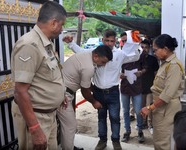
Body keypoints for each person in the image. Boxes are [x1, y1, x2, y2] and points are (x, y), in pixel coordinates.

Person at [63, 29, 140, 150]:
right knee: (101, 118)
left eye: (112, 41)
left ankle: (116, 142)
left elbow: (135, 56)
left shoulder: (120, 54)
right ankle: (102, 140)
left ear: (115, 41)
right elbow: (81, 52)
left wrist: (135, 43)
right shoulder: (95, 53)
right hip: (98, 91)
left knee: (115, 118)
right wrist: (71, 44)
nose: (109, 43)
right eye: (107, 40)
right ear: (102, 40)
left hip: (113, 92)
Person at [11, 2, 66, 150]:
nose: (62, 30)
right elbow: (20, 91)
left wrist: (61, 95)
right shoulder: (29, 45)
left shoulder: (45, 43)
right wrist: (34, 128)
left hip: (49, 115)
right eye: (61, 25)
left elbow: (47, 75)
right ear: (54, 23)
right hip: (36, 118)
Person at [57, 45, 113, 150]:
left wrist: (95, 90)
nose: (103, 65)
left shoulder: (88, 54)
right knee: (70, 125)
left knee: (65, 125)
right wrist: (94, 102)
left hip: (61, 89)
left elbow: (87, 85)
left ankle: (67, 146)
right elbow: (85, 90)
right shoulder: (88, 68)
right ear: (96, 56)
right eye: (103, 62)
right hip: (63, 95)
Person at [140, 34, 185, 150]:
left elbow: (167, 95)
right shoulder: (166, 64)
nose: (154, 53)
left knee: (161, 142)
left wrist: (149, 108)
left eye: (155, 50)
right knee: (160, 139)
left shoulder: (174, 66)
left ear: (165, 49)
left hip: (166, 107)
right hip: (161, 107)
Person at [120, 31, 146, 143]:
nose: (125, 43)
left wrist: (141, 72)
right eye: (123, 41)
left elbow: (145, 67)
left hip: (137, 87)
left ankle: (140, 130)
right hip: (125, 87)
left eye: (127, 40)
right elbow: (116, 68)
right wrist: (119, 74)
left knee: (138, 110)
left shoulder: (139, 53)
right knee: (125, 111)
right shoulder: (120, 54)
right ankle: (127, 131)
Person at [140, 39, 159, 133]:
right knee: (141, 106)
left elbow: (156, 73)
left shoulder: (153, 59)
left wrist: (156, 85)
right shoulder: (137, 59)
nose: (144, 49)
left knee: (149, 107)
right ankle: (143, 123)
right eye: (142, 47)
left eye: (146, 47)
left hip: (150, 87)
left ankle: (150, 124)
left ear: (149, 48)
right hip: (140, 87)